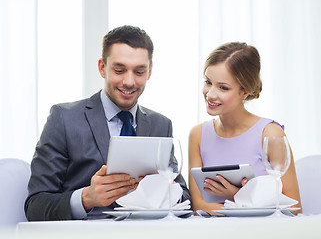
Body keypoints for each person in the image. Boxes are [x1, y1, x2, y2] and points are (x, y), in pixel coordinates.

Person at [25, 25, 190, 221]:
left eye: (139, 72)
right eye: (119, 70)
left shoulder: (161, 125)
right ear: (102, 68)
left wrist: (165, 192)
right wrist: (86, 198)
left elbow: (185, 198)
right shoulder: (64, 118)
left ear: (149, 72)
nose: (129, 82)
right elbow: (35, 206)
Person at [188, 42, 301, 215]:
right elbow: (198, 206)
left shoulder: (270, 134)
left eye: (223, 87)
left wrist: (237, 196)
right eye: (208, 82)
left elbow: (294, 208)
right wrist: (246, 203)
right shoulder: (197, 135)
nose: (210, 94)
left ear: (245, 91)